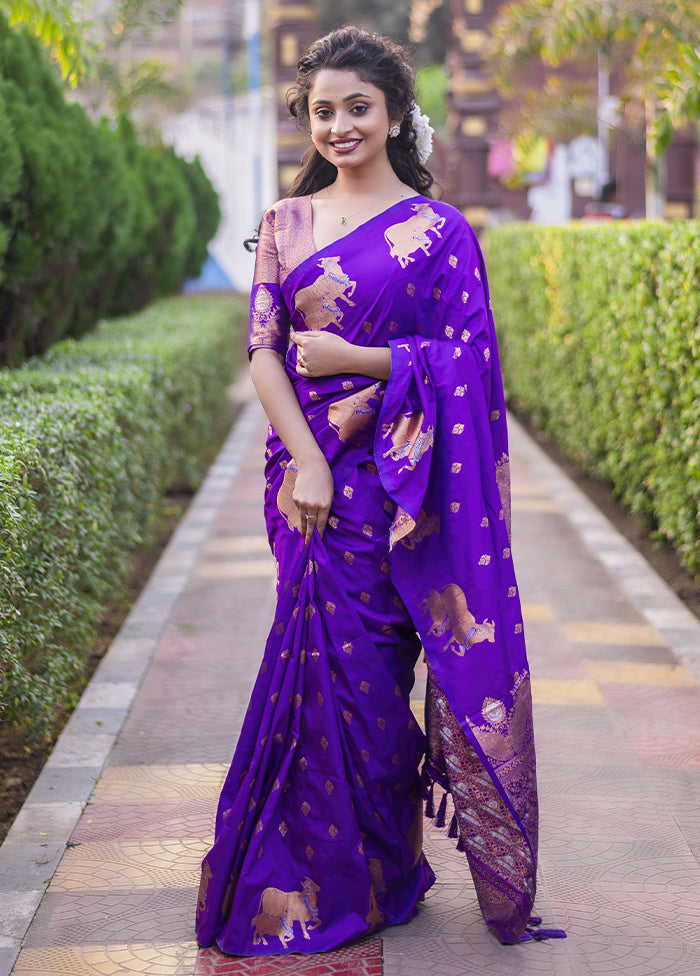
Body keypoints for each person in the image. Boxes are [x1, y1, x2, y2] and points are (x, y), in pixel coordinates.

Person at [196, 25, 564, 956]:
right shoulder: (284, 223)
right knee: (310, 670)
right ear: (308, 120)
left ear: (396, 113)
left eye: (358, 107)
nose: (340, 125)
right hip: (309, 484)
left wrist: (362, 358)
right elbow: (264, 354)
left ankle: (385, 866)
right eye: (323, 111)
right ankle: (315, 871)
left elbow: (469, 369)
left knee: (371, 688)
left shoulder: (439, 236)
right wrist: (308, 461)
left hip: (401, 499)